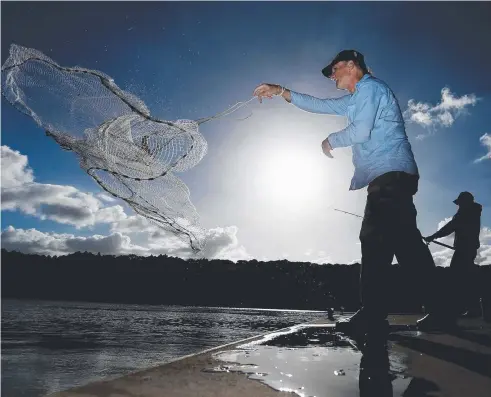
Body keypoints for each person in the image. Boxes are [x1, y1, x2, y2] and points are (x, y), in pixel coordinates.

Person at [253, 49, 446, 343]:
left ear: (351, 65)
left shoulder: (371, 88)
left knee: (375, 240)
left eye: (334, 69)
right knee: (403, 244)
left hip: (389, 176)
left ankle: (374, 313)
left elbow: (362, 131)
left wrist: (331, 140)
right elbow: (319, 104)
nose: (332, 76)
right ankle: (435, 309)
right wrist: (281, 91)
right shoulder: (356, 99)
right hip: (390, 177)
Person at [424, 191, 482, 317]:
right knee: (464, 277)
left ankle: (464, 308)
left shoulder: (465, 214)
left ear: (465, 202)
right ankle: (471, 307)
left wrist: (433, 236)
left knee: (457, 277)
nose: (459, 206)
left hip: (464, 249)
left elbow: (450, 227)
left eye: (460, 203)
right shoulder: (472, 213)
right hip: (468, 248)